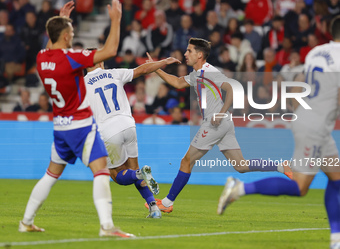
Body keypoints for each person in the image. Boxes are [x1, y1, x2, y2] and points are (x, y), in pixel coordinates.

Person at [217, 16, 340, 249]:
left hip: (310, 119)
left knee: (337, 178)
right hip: (315, 127)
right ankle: (239, 188)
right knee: (299, 187)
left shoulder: (316, 53)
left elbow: (300, 84)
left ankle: (336, 239)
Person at [18, 0, 135, 238]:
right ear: (64, 36)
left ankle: (26, 221)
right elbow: (110, 51)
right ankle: (107, 227)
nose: (73, 35)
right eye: (70, 32)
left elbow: (51, 46)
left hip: (60, 128)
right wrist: (115, 20)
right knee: (101, 171)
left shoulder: (42, 58)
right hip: (81, 127)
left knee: (51, 174)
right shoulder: (71, 58)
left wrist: (60, 20)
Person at [144, 38, 292, 213]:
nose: (185, 54)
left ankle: (167, 203)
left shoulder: (210, 72)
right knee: (241, 166)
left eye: (189, 51)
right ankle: (282, 166)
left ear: (199, 55)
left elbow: (231, 88)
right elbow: (176, 82)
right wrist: (156, 67)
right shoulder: (196, 74)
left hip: (215, 123)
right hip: (225, 123)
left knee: (186, 161)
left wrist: (221, 112)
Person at [84, 50, 180, 218]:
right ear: (100, 63)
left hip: (108, 131)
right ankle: (154, 208)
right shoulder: (114, 73)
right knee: (135, 168)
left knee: (117, 175)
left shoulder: (82, 84)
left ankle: (139, 175)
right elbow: (142, 70)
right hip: (128, 125)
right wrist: (163, 61)